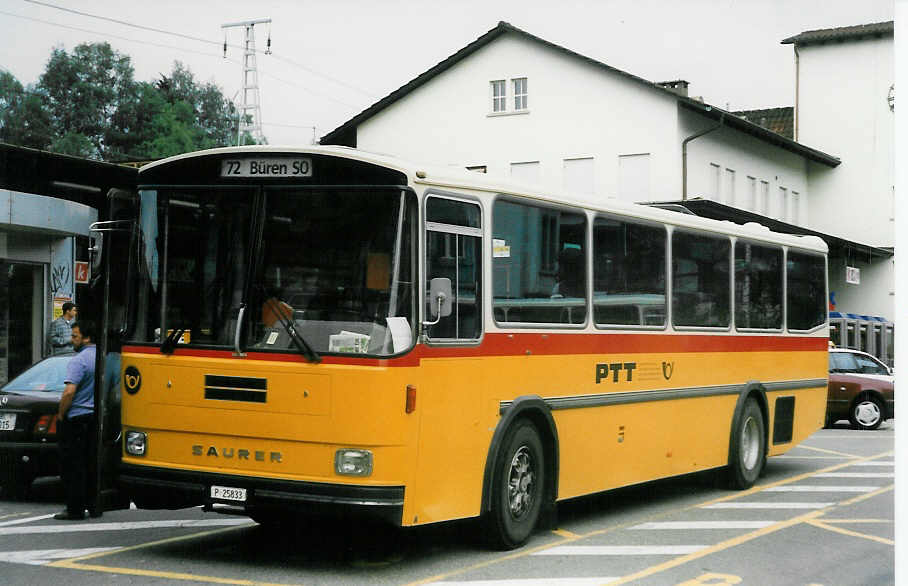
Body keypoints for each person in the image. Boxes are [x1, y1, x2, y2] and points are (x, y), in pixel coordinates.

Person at [55, 320, 99, 520]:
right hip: (94, 418)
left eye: (75, 336)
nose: (71, 340)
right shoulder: (102, 357)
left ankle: (74, 509)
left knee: (73, 467)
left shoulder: (79, 360)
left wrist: (61, 414)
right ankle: (94, 505)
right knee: (91, 463)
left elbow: (69, 392)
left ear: (86, 338)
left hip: (77, 418)